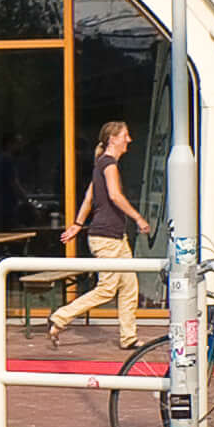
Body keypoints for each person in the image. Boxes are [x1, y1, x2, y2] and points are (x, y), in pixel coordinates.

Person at [49, 118, 154, 340]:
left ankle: (128, 337)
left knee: (128, 287)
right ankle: (61, 316)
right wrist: (138, 218)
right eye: (125, 135)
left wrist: (78, 225)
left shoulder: (101, 163)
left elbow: (89, 197)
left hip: (114, 236)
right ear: (113, 139)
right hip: (107, 237)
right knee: (107, 289)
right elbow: (115, 196)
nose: (129, 140)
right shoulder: (109, 165)